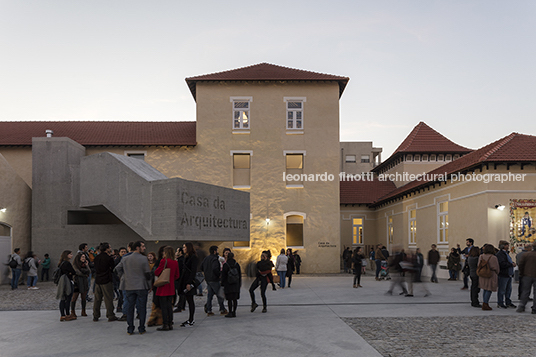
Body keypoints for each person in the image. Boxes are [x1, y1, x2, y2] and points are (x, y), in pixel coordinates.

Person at [115, 241, 152, 335]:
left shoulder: (125, 258)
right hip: (141, 285)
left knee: (130, 307)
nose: (144, 248)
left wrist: (123, 277)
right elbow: (148, 273)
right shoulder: (144, 259)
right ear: (138, 248)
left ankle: (130, 328)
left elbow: (117, 269)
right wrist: (149, 285)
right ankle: (141, 328)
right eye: (143, 246)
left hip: (129, 285)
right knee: (142, 307)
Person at [92, 242, 118, 322]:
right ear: (107, 249)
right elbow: (113, 268)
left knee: (97, 299)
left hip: (98, 279)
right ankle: (110, 315)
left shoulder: (96, 258)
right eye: (109, 247)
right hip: (106, 279)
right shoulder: (108, 258)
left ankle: (95, 315)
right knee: (108, 298)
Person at [201, 245, 227, 316]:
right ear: (215, 251)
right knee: (219, 295)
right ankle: (222, 309)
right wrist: (219, 274)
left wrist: (207, 272)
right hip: (214, 279)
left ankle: (209, 310)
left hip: (208, 279)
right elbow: (215, 268)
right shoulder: (215, 259)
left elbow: (201, 267)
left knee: (210, 295)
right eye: (217, 250)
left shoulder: (206, 259)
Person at [178, 242, 198, 327]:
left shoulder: (193, 257)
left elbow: (193, 271)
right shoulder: (186, 257)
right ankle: (190, 319)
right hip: (185, 280)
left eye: (184, 247)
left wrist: (189, 283)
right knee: (188, 299)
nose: (183, 249)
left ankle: (191, 319)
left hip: (189, 282)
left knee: (190, 300)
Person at [478, 244, 500, 311]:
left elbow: (478, 265)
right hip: (491, 274)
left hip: (482, 274)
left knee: (485, 289)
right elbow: (496, 267)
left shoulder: (481, 256)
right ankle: (485, 303)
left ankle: (485, 302)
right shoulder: (493, 257)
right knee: (489, 289)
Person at [56, 250, 76, 321]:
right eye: (70, 254)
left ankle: (62, 315)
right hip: (67, 282)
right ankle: (67, 314)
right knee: (68, 298)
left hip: (62, 282)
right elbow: (73, 272)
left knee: (62, 298)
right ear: (67, 255)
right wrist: (70, 273)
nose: (72, 255)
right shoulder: (67, 263)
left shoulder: (60, 263)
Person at [496, 240, 516, 309]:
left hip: (508, 274)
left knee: (508, 289)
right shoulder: (500, 254)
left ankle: (508, 301)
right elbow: (502, 263)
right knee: (502, 289)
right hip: (503, 274)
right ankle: (500, 302)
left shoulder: (506, 253)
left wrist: (512, 263)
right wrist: (511, 264)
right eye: (507, 245)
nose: (508, 246)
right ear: (504, 246)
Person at [516, 242, 536, 313]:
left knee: (525, 291)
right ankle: (534, 308)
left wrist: (521, 273)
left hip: (527, 275)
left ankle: (521, 306)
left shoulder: (526, 255)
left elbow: (521, 264)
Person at [221, 252, 241, 317]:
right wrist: (239, 284)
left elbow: (223, 275)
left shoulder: (226, 265)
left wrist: (222, 284)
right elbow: (239, 275)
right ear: (233, 257)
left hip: (228, 284)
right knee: (235, 299)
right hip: (236, 284)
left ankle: (230, 312)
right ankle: (234, 312)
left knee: (229, 299)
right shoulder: (237, 264)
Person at [70, 253, 90, 318]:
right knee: (74, 297)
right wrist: (85, 274)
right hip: (77, 282)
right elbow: (78, 272)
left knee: (83, 297)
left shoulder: (84, 265)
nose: (84, 259)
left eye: (84, 257)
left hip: (84, 282)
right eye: (82, 257)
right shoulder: (75, 265)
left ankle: (83, 311)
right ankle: (72, 311)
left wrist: (87, 266)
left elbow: (89, 271)